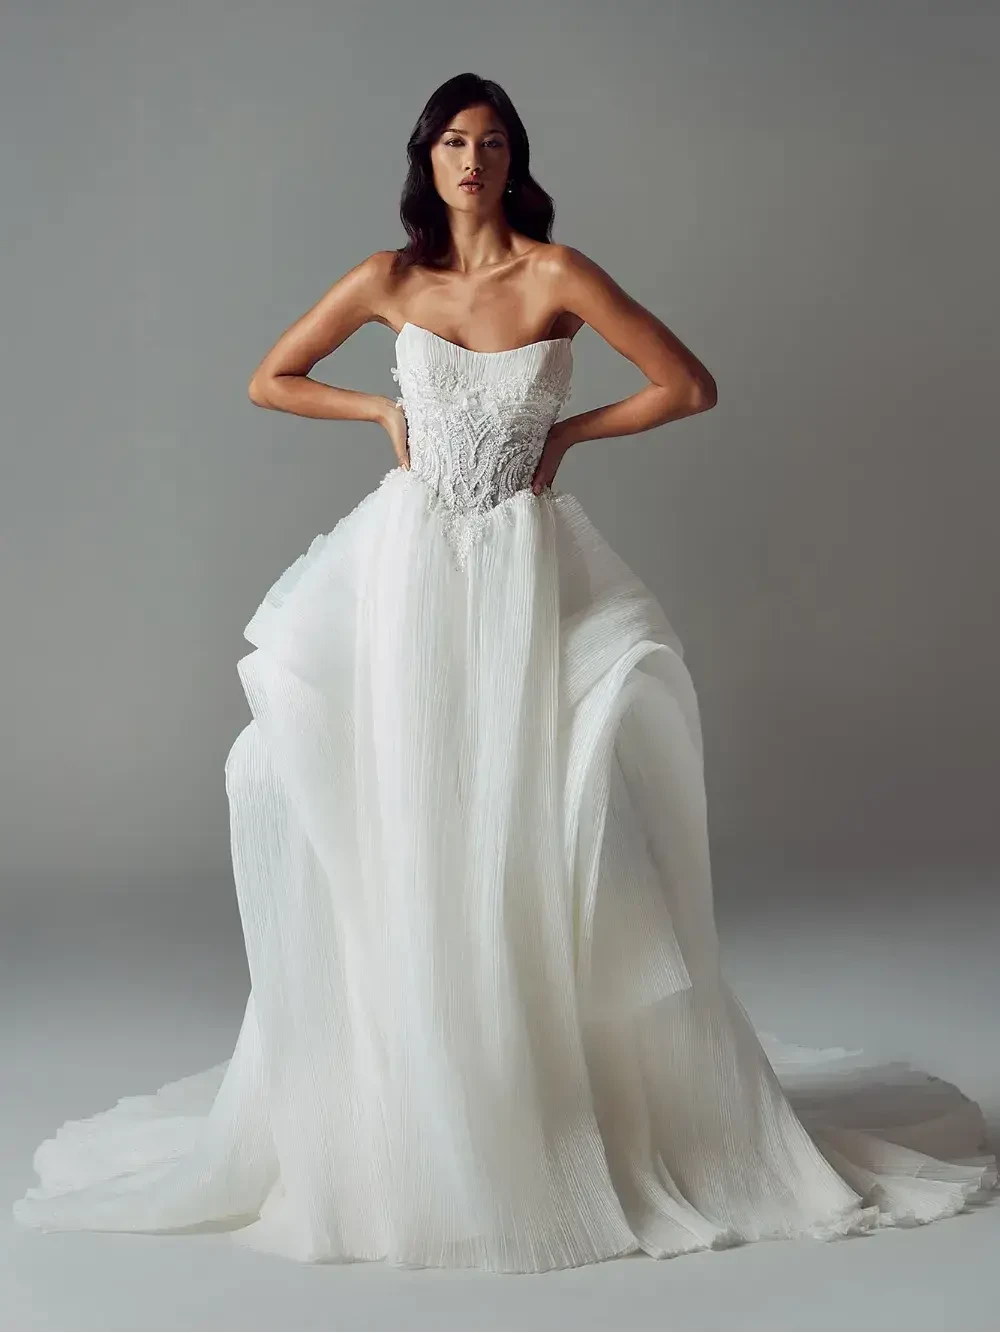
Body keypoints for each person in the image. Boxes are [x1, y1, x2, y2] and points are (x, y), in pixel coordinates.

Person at [13, 73, 997, 1273]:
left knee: (537, 821)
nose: (470, 160)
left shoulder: (557, 274)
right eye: (450, 142)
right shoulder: (390, 280)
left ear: (513, 158)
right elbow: (272, 376)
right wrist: (377, 419)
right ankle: (412, 1108)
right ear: (424, 160)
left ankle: (537, 1103)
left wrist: (568, 435)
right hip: (407, 577)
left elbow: (688, 384)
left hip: (525, 578)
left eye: (489, 142)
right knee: (402, 826)